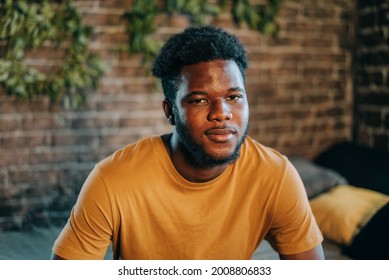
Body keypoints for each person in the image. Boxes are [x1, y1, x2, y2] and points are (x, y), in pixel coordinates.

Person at [51, 26, 324, 260]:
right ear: (170, 111)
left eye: (234, 97)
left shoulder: (275, 175)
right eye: (199, 100)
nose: (221, 113)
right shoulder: (112, 180)